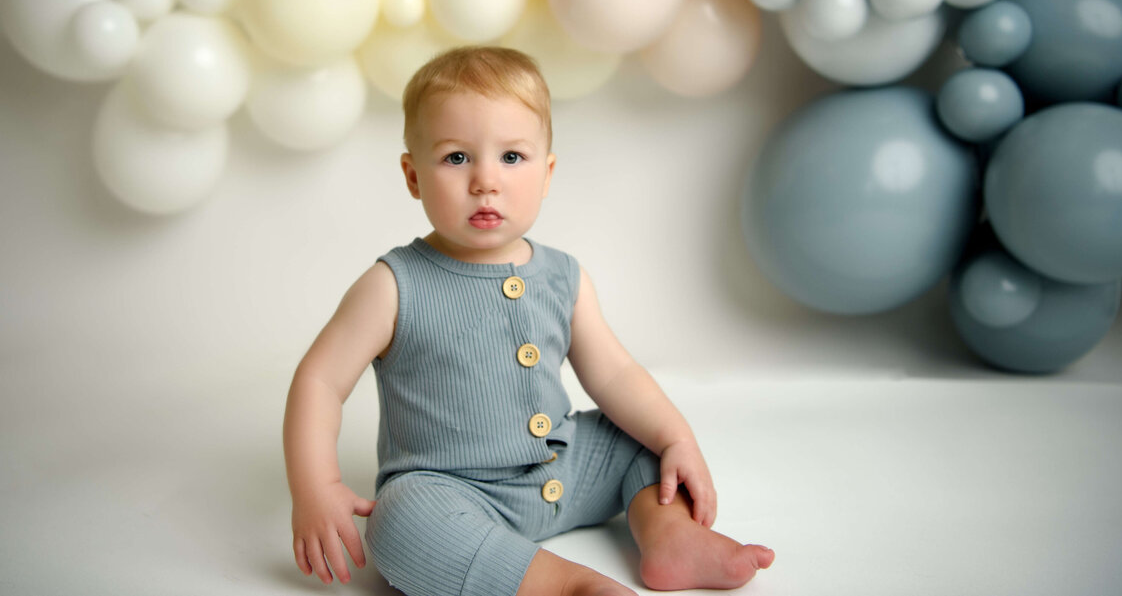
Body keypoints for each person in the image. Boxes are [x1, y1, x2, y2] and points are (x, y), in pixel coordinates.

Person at [283, 46, 774, 595]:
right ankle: (558, 584)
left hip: (563, 470)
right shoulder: (394, 284)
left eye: (512, 157)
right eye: (456, 158)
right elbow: (319, 382)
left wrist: (676, 435)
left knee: (637, 439)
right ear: (413, 174)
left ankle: (670, 537)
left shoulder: (564, 276)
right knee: (397, 522)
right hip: (453, 492)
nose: (485, 181)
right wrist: (315, 487)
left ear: (547, 172)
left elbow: (614, 376)